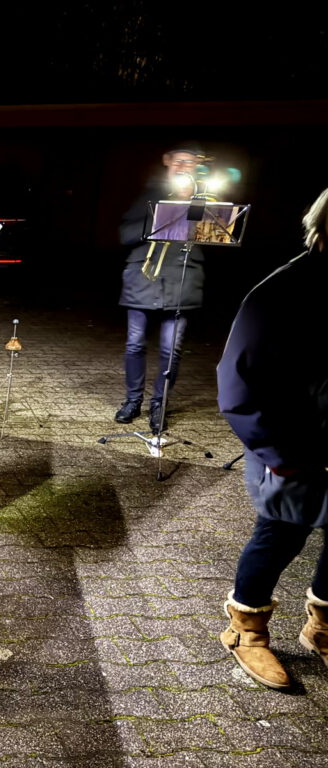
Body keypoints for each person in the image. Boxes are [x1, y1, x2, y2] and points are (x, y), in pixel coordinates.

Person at [216, 187, 328, 690]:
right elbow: (237, 382)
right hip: (292, 448)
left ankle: (321, 628)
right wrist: (278, 455)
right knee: (280, 534)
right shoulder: (281, 291)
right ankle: (247, 632)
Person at [115, 147, 205, 433]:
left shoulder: (204, 200)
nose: (182, 166)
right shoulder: (149, 196)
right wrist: (159, 220)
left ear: (197, 167)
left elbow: (216, 239)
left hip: (181, 280)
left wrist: (192, 208)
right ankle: (132, 401)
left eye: (189, 162)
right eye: (177, 161)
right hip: (143, 277)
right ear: (166, 164)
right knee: (135, 343)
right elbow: (125, 235)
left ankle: (159, 404)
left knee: (171, 350)